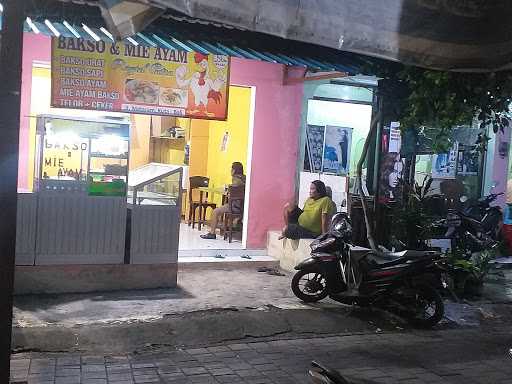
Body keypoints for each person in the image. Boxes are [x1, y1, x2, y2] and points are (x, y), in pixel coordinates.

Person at [200, 162, 245, 240]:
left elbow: (232, 192)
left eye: (231, 169)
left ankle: (212, 233)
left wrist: (228, 191)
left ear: (234, 170)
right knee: (223, 207)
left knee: (215, 211)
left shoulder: (236, 179)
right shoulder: (244, 178)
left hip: (235, 206)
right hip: (243, 206)